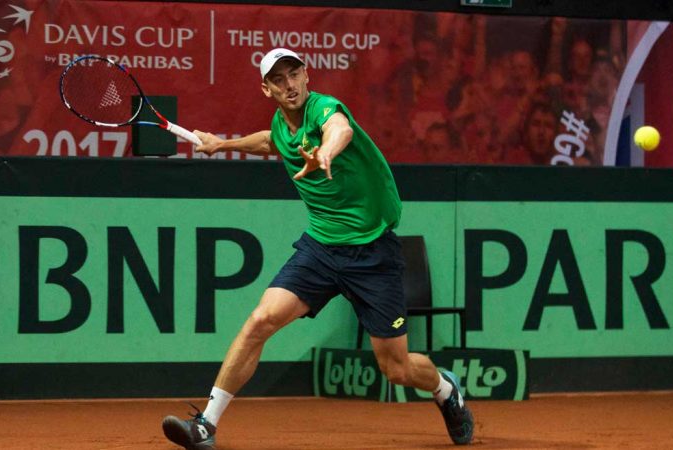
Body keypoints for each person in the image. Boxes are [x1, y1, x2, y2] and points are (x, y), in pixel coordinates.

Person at [160, 48, 474, 449]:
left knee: (396, 369)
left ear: (307, 75)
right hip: (321, 250)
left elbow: (339, 130)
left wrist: (326, 152)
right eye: (278, 80)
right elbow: (272, 141)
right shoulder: (282, 124)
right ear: (267, 89)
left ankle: (446, 389)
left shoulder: (324, 109)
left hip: (372, 253)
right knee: (260, 321)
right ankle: (206, 425)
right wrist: (222, 144)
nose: (289, 85)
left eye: (294, 74)